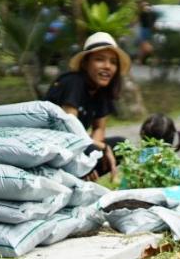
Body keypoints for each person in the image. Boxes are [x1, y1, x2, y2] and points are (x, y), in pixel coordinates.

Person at [45, 31, 129, 180]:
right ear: (85, 63)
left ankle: (83, 177)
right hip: (51, 149)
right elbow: (68, 133)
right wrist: (96, 150)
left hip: (75, 146)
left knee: (122, 145)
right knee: (93, 147)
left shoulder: (101, 90)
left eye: (113, 62)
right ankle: (77, 176)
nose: (107, 66)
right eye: (100, 59)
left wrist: (94, 152)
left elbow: (99, 128)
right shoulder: (73, 82)